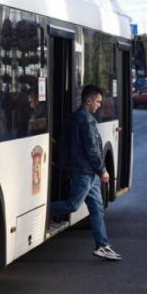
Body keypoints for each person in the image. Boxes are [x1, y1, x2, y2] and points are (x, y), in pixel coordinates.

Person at [51, 84, 121, 261]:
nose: (99, 105)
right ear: (88, 101)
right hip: (85, 171)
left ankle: (102, 245)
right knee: (73, 205)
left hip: (87, 172)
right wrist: (103, 170)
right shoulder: (86, 121)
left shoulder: (75, 117)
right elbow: (92, 150)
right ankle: (45, 211)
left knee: (97, 208)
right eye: (97, 102)